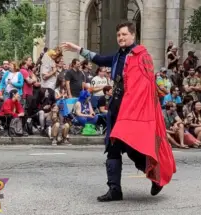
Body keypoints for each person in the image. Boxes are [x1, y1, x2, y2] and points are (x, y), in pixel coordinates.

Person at [61, 21, 176, 202]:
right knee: (112, 148)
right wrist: (77, 48)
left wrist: (134, 109)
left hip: (133, 109)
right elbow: (98, 58)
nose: (121, 38)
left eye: (124, 34)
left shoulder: (142, 56)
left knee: (133, 148)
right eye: (118, 35)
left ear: (133, 35)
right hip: (116, 106)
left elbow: (144, 86)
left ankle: (155, 176)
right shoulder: (117, 56)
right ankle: (115, 190)